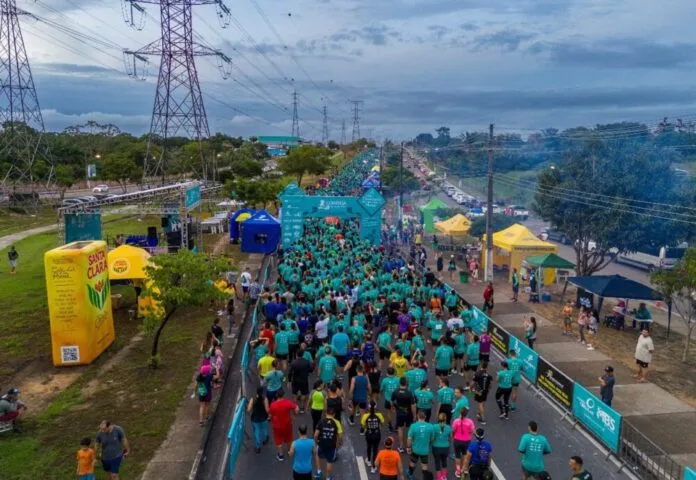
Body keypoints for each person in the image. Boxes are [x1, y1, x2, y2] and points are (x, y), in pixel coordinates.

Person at [268, 389, 299, 461]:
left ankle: (281, 455)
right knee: (289, 438)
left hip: (277, 426)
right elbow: (296, 408)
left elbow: (270, 415)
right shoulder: (287, 403)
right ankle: (289, 451)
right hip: (287, 425)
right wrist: (295, 413)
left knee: (278, 439)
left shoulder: (273, 405)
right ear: (283, 395)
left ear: (277, 396)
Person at [314, 407, 342, 480]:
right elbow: (340, 435)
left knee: (317, 455)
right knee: (329, 461)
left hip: (321, 444)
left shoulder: (321, 421)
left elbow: (316, 435)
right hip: (331, 446)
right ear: (334, 415)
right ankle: (328, 477)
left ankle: (319, 471)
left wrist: (316, 441)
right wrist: (339, 442)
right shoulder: (337, 423)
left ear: (326, 413)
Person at [406, 410, 434, 480]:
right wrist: (428, 442)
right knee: (424, 465)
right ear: (425, 416)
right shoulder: (430, 426)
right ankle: (426, 478)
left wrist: (408, 447)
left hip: (415, 449)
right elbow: (432, 438)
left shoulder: (413, 426)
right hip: (425, 450)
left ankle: (410, 474)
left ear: (417, 416)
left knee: (413, 462)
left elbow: (409, 438)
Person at [392, 377, 416, 453]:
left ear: (400, 383)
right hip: (408, 413)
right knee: (410, 429)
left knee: (400, 429)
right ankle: (409, 447)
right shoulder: (409, 393)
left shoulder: (396, 392)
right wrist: (414, 415)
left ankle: (401, 446)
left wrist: (394, 408)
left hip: (400, 412)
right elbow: (413, 405)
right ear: (406, 383)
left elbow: (392, 401)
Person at [361, 400, 385, 473]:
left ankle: (368, 460)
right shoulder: (379, 415)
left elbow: (363, 425)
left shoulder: (365, 416)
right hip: (377, 434)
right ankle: (373, 467)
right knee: (375, 449)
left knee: (368, 446)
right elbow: (382, 423)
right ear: (375, 407)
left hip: (369, 434)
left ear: (368, 407)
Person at [452, 407, 475, 479]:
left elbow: (453, 430)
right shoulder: (470, 422)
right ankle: (465, 469)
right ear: (466, 414)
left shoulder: (456, 421)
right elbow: (473, 431)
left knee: (457, 456)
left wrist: (453, 437)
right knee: (465, 455)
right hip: (466, 441)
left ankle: (458, 471)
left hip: (457, 441)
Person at [247, 387, 270, 453]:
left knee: (257, 432)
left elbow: (248, 409)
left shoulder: (252, 399)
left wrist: (251, 411)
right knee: (264, 429)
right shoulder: (264, 399)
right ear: (262, 392)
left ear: (256, 392)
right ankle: (265, 439)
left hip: (255, 419)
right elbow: (267, 410)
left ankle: (257, 447)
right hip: (263, 418)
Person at [431, 412, 452, 480]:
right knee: (444, 461)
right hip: (445, 448)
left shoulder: (434, 426)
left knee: (437, 462)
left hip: (436, 448)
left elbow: (433, 438)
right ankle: (444, 476)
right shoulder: (448, 427)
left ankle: (439, 477)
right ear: (445, 419)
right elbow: (450, 438)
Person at [349, 364, 371, 430]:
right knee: (362, 413)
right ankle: (362, 428)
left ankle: (352, 419)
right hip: (363, 398)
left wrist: (350, 398)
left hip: (355, 397)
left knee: (353, 408)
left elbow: (351, 389)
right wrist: (369, 394)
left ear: (356, 370)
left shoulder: (354, 378)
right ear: (362, 370)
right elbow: (369, 388)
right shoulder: (366, 378)